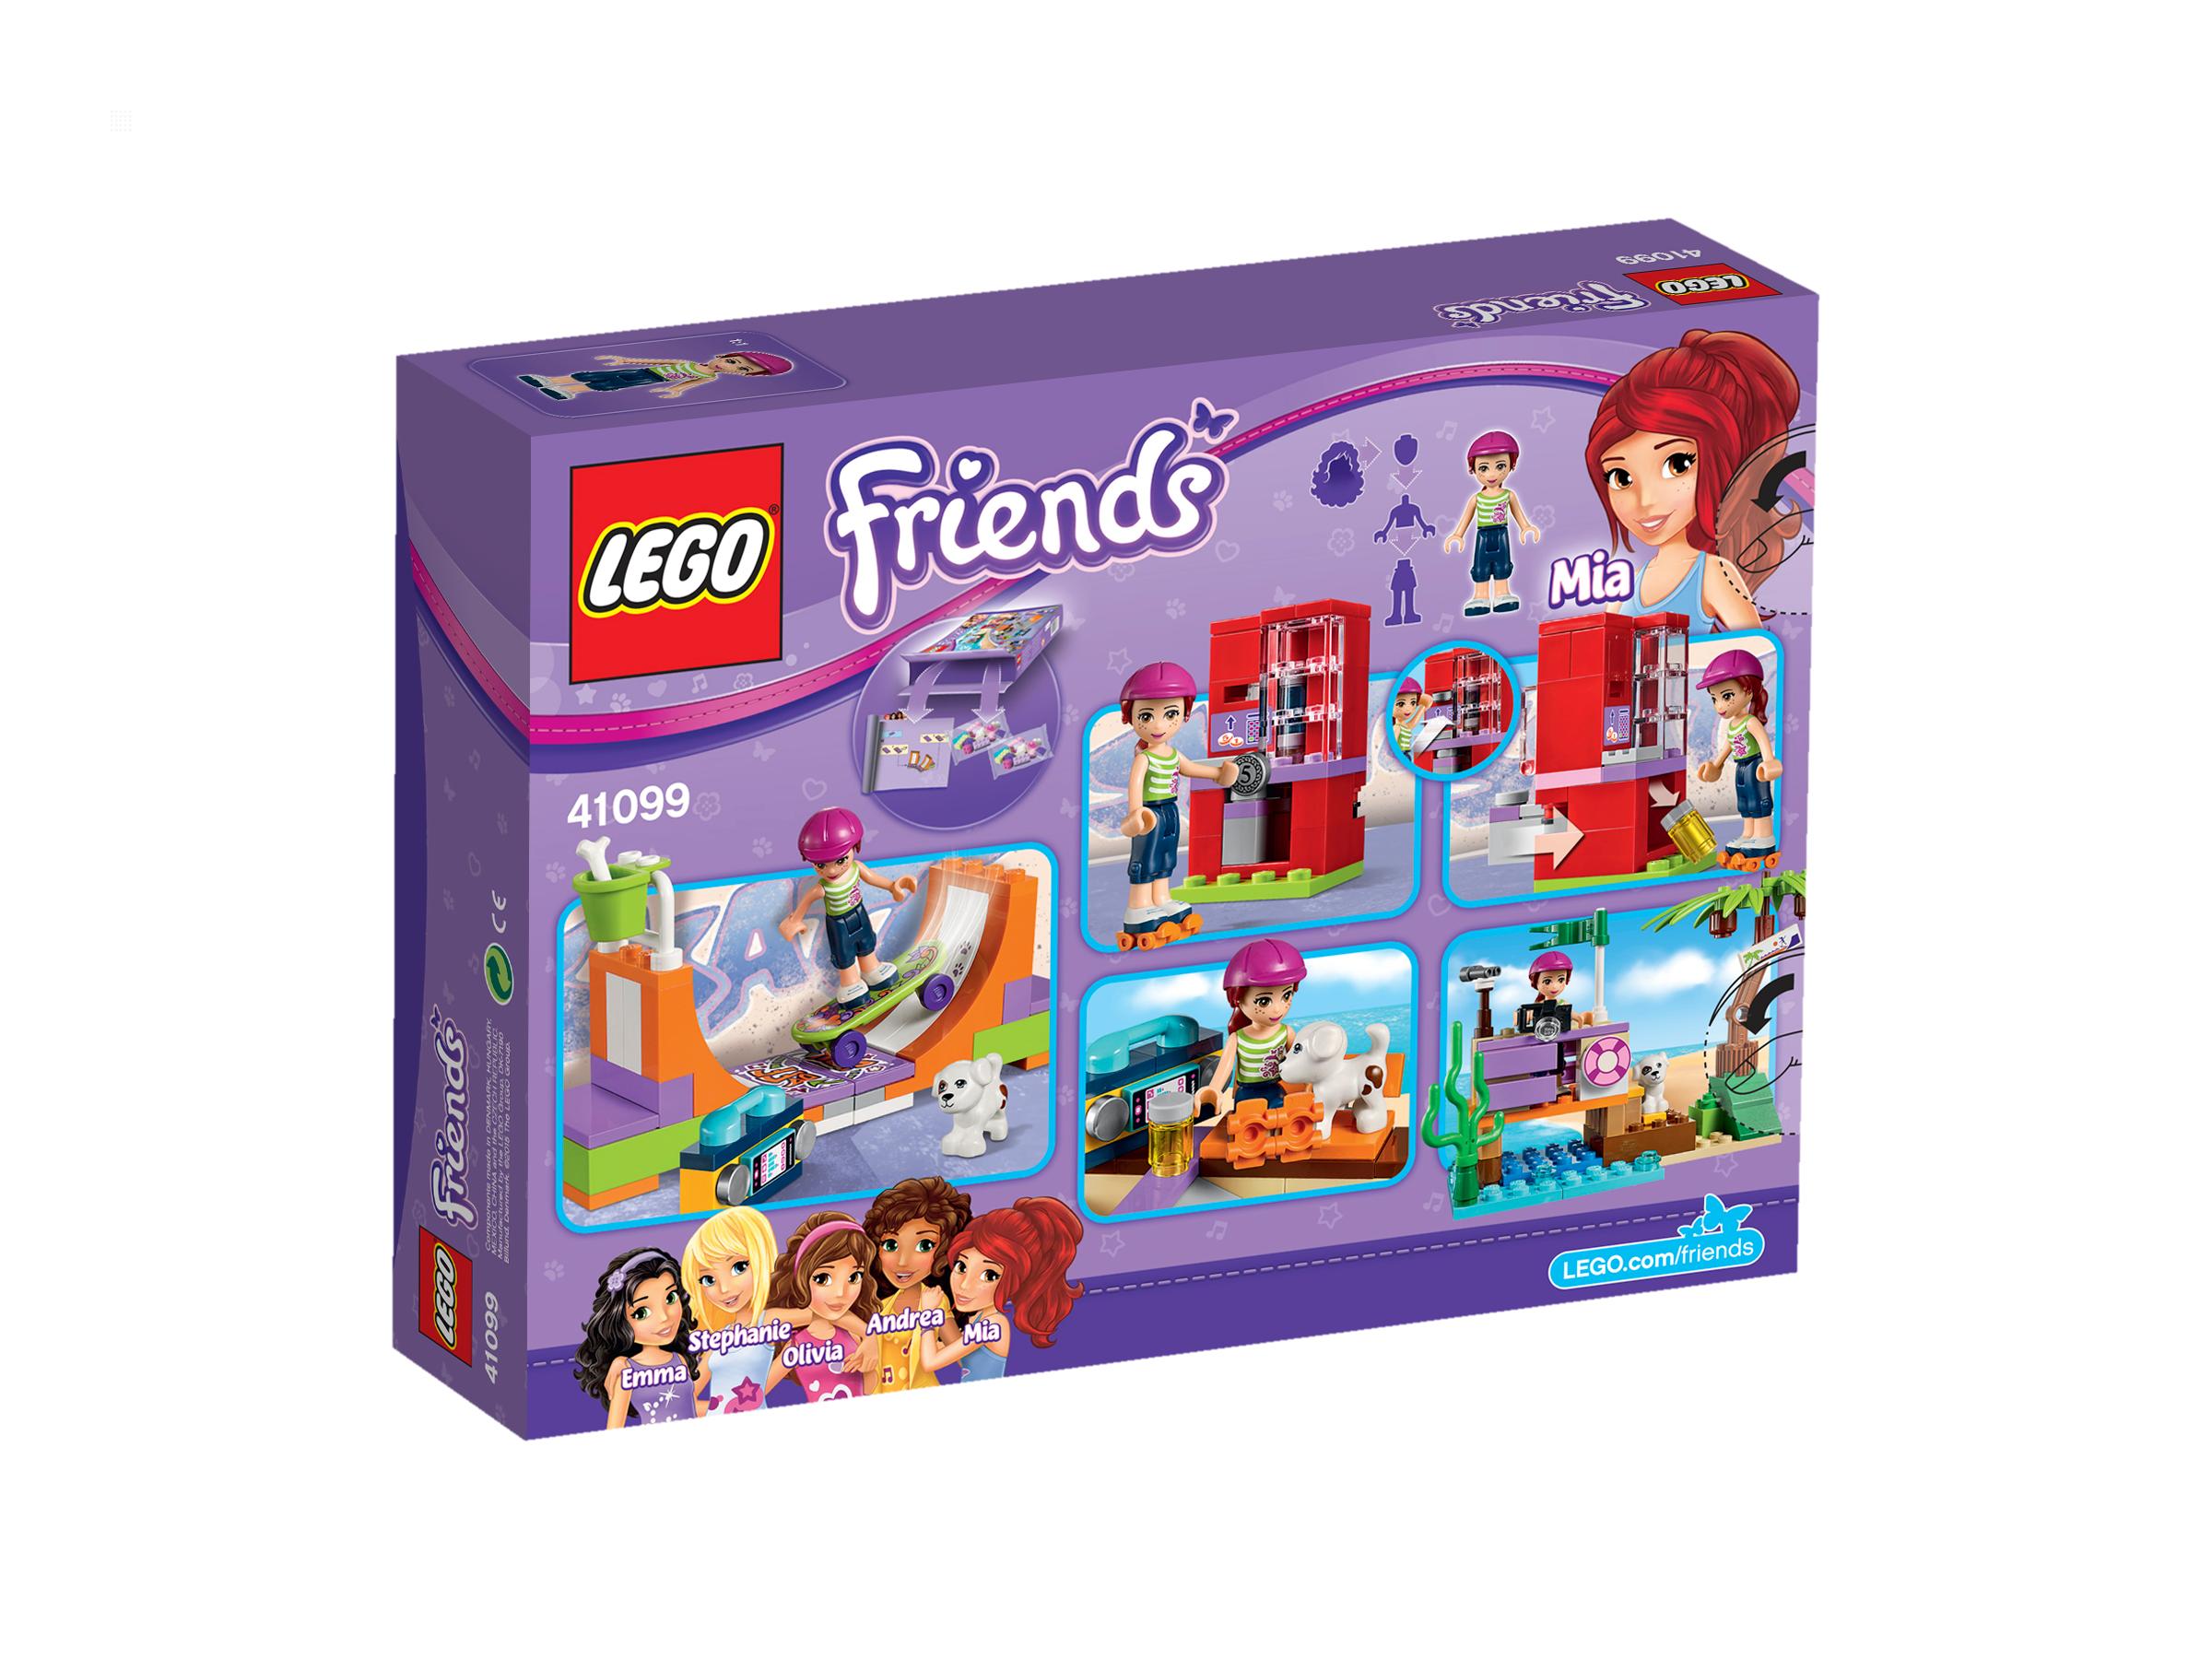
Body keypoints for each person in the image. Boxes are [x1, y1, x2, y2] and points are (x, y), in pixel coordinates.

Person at [1583, 329, 1802, 630]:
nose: (1644, 501)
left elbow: (1756, 651)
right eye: (1621, 478)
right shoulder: (1626, 586)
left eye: (1677, 465)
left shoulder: (1712, 574)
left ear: (1720, 461)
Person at [1114, 662, 1237, 950]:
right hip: (1150, 813)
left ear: (1184, 715)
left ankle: (1161, 899)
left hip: (1169, 811)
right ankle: (1138, 905)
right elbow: (1135, 785)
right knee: (1145, 858)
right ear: (1130, 716)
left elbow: (1190, 768)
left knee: (1166, 857)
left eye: (1170, 715)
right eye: (1146, 716)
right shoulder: (1144, 758)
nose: (1158, 725)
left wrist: (1218, 774)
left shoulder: (1172, 754)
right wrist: (1135, 813)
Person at [780, 807, 917, 1006]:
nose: (831, 870)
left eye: (840, 860)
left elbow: (873, 878)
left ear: (855, 847)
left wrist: (892, 886)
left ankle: (871, 970)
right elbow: (806, 901)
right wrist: (796, 920)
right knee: (844, 953)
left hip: (859, 913)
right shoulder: (822, 888)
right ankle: (850, 983)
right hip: (838, 923)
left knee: (866, 941)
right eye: (821, 865)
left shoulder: (857, 869)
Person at [1194, 938, 1309, 1119]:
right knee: (1247, 1116)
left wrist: (1310, 1078)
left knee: (1281, 1113)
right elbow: (1225, 1066)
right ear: (1238, 999)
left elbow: (1301, 1060)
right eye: (1264, 1001)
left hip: (1275, 1089)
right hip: (1247, 1092)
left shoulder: (1286, 1033)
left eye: (1286, 996)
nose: (1277, 1009)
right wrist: (1214, 1089)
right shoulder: (1238, 1038)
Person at [1693, 649, 1783, 856]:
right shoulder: (1733, 724)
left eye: (1727, 696)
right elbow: (1729, 745)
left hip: (1755, 766)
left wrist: (1769, 761)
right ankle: (1748, 834)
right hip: (1741, 767)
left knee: (1758, 799)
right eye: (1715, 699)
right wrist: (1716, 765)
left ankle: (1764, 836)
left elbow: (1763, 741)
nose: (1720, 706)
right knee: (1744, 801)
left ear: (1748, 691)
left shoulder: (1751, 722)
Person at [1444, 431, 1540, 616]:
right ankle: (1480, 596)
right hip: (1483, 535)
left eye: (1500, 466)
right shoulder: (1477, 498)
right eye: (1484, 468)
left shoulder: (1508, 495)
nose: (1492, 474)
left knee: (1502, 564)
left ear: (1511, 465)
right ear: (1474, 469)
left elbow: (1518, 514)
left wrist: (1526, 527)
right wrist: (1457, 535)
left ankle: (1502, 594)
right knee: (1481, 565)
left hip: (1501, 533)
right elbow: (1466, 518)